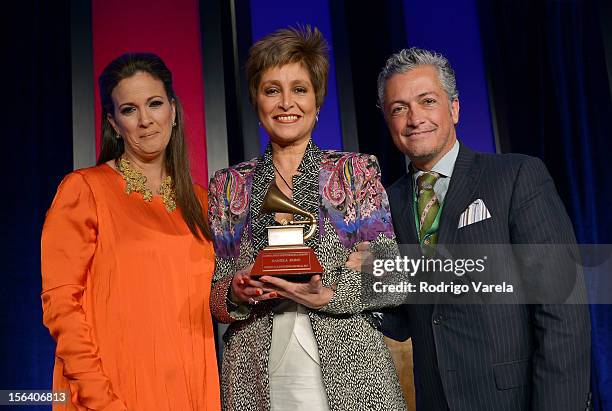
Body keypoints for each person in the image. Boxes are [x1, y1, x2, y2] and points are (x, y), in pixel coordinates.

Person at [377, 47, 591, 410]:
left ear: (454, 108)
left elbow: (563, 309)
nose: (414, 118)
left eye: (427, 101)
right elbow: (401, 318)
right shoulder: (384, 203)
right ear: (388, 121)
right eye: (399, 108)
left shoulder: (516, 177)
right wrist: (344, 286)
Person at [208, 26, 407, 410]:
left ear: (317, 101)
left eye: (299, 89)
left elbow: (392, 277)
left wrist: (328, 294)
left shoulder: (354, 173)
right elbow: (214, 297)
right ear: (256, 99)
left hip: (353, 372)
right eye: (271, 90)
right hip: (254, 373)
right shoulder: (229, 184)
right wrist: (236, 291)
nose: (286, 103)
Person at [41, 53, 220, 411]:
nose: (145, 121)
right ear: (113, 122)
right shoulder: (85, 191)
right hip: (114, 393)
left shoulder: (203, 203)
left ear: (172, 109)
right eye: (129, 110)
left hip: (191, 390)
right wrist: (99, 399)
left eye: (154, 104)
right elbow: (62, 307)